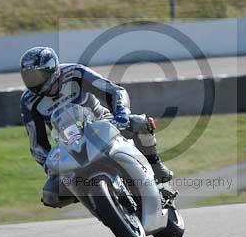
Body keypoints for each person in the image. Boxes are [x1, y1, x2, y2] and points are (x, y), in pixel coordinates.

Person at [19, 47, 174, 208]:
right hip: (69, 143)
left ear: (52, 69)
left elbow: (114, 91)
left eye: (37, 75)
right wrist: (49, 165)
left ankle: (154, 164)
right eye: (28, 76)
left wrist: (121, 114)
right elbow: (36, 143)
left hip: (103, 124)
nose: (33, 81)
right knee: (50, 194)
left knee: (141, 123)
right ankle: (91, 195)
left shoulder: (75, 73)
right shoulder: (29, 101)